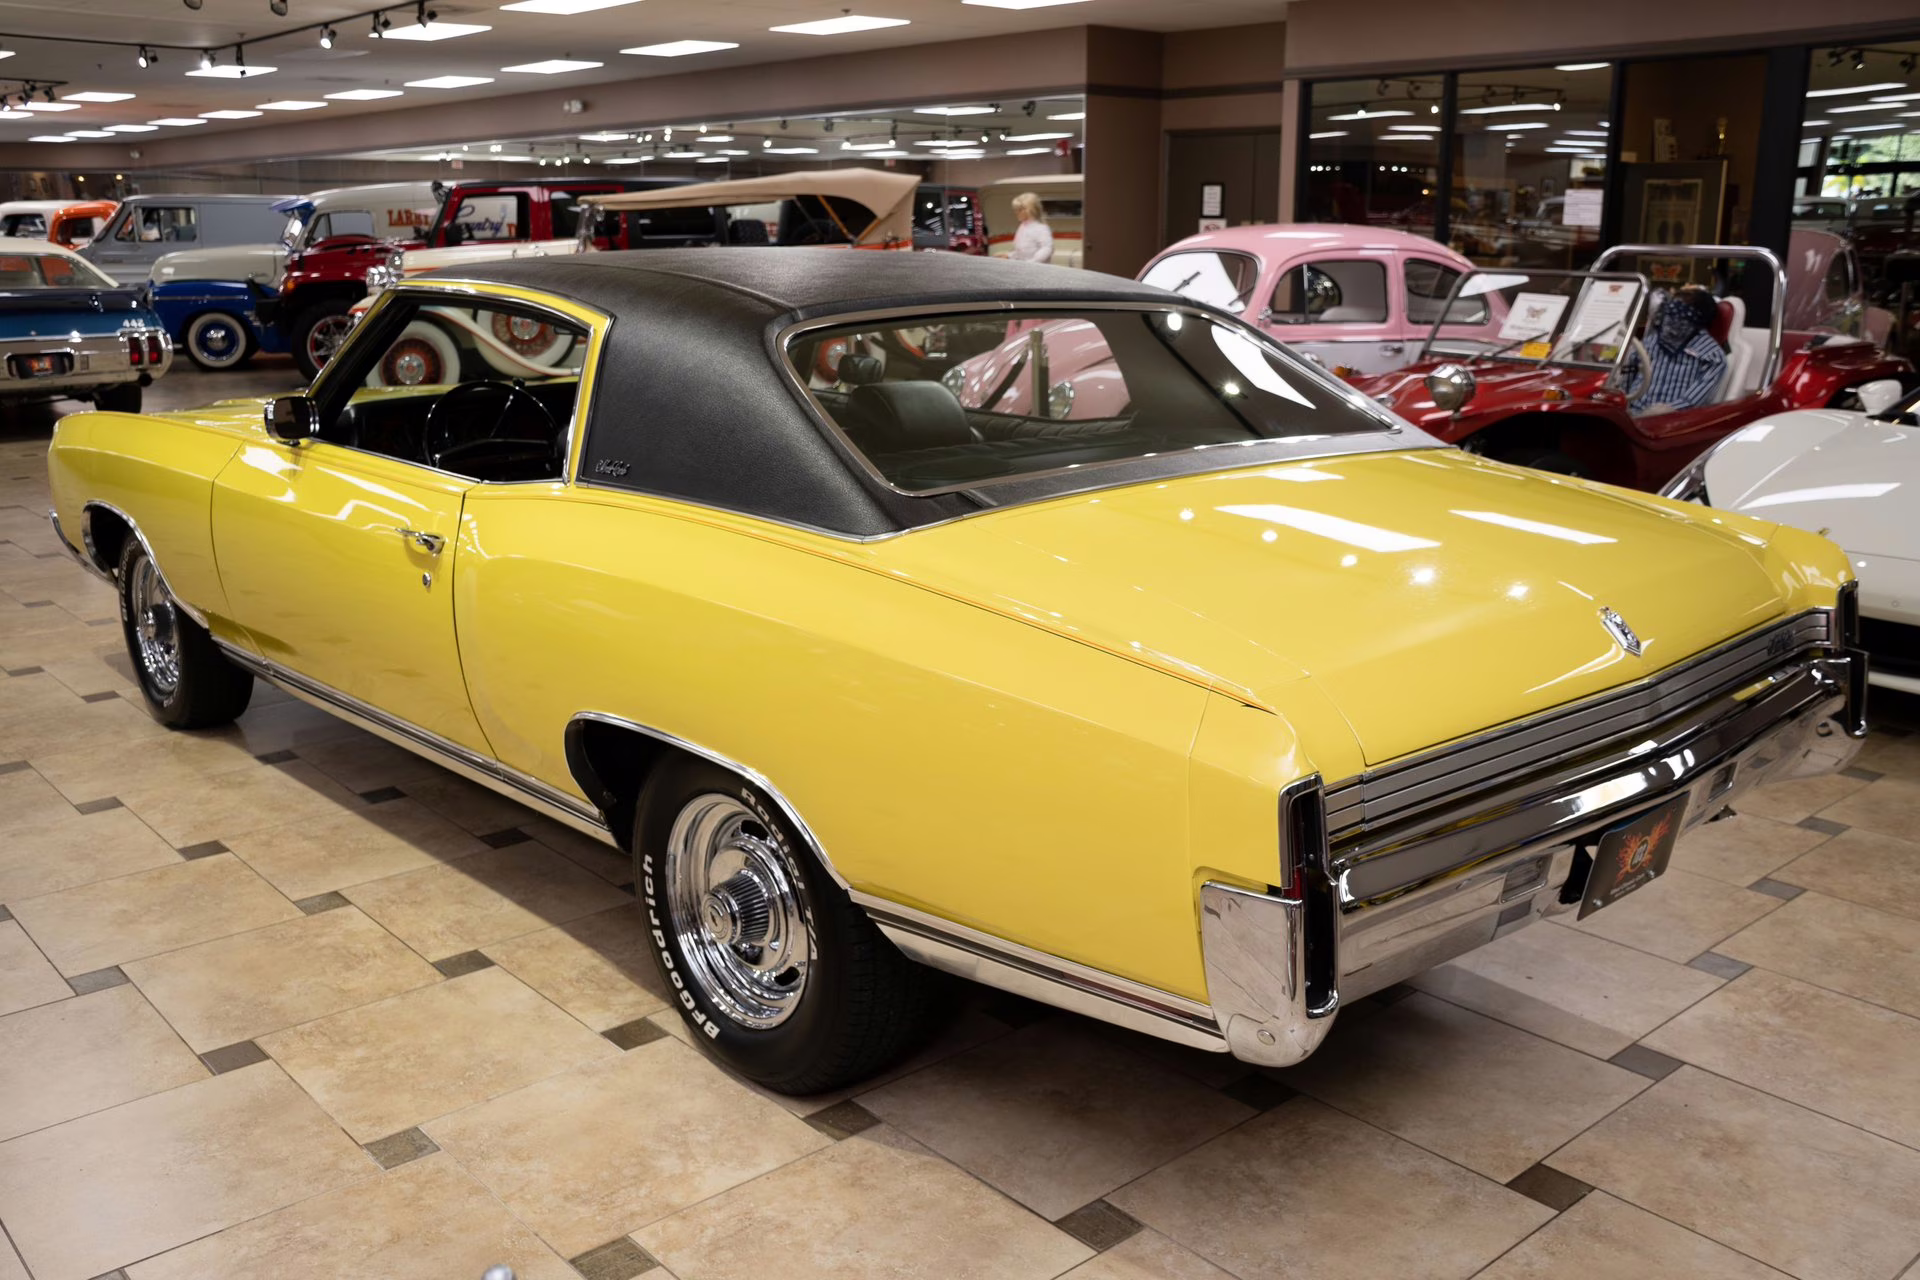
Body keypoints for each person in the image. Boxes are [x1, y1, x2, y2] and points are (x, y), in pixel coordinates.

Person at [1624, 285, 1726, 414]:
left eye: (1679, 312)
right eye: (1669, 310)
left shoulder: (1712, 356)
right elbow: (1626, 380)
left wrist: (1660, 412)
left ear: (1698, 318)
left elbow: (1694, 401)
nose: (1671, 318)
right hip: (1628, 413)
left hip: (1671, 419)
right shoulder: (1651, 342)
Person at [1008, 192, 1053, 264]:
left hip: (1036, 268)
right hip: (1023, 266)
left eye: (1019, 210)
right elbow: (1020, 251)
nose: (1016, 212)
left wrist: (1031, 262)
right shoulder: (1023, 226)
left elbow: (1047, 248)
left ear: (1030, 210)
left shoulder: (1041, 228)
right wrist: (1009, 256)